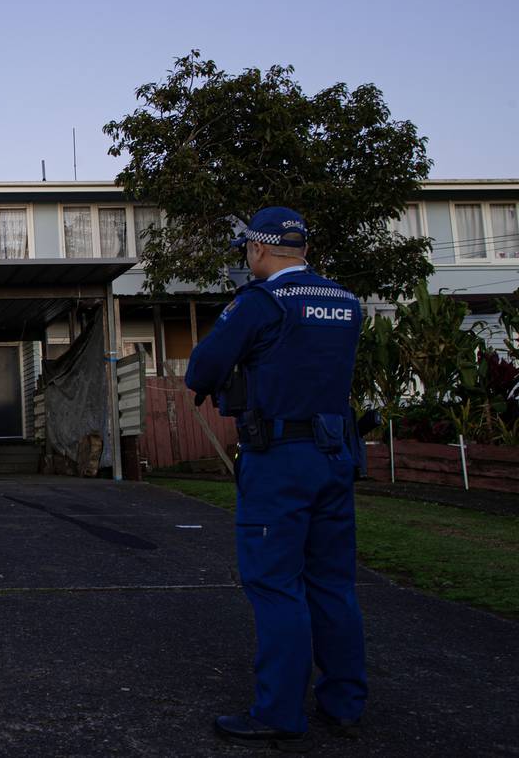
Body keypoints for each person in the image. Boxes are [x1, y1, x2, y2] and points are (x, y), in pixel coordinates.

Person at [185, 207, 367, 749]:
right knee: (333, 583)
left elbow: (202, 371)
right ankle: (344, 704)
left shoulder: (259, 303)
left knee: (275, 584)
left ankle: (280, 712)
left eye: (248, 250)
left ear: (260, 250)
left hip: (280, 459)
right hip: (336, 455)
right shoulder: (347, 302)